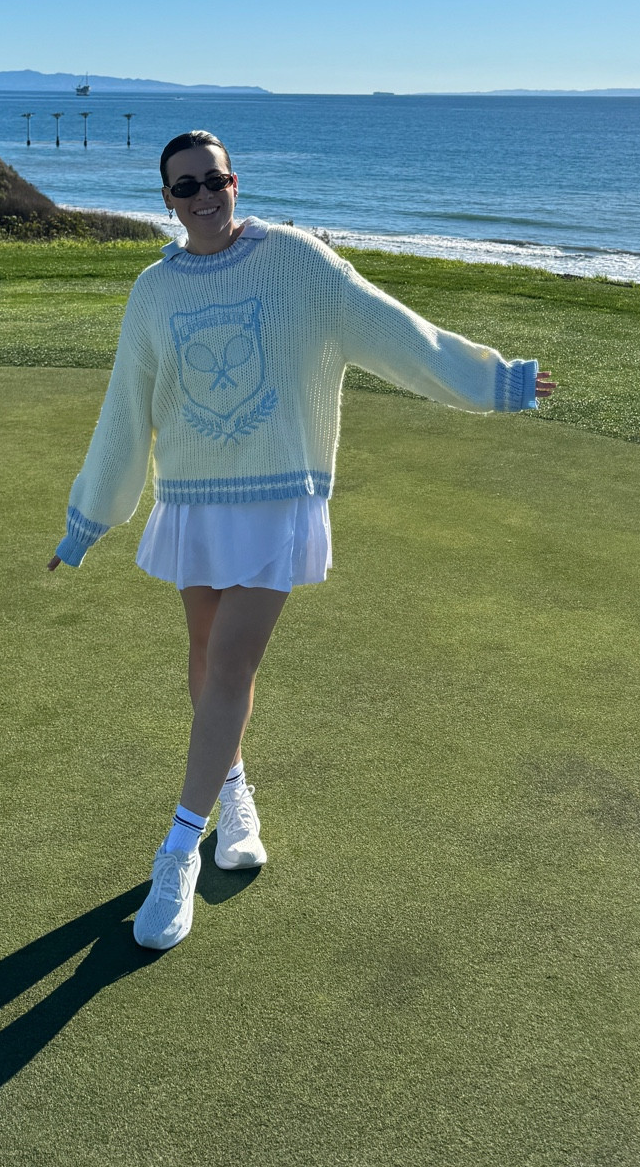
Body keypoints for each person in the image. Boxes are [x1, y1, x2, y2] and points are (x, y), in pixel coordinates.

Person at [49, 130, 555, 950]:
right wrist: (86, 523)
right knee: (207, 660)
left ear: (234, 183)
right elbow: (125, 410)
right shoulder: (152, 292)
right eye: (186, 187)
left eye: (215, 180)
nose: (204, 197)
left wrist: (497, 380)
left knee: (234, 664)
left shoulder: (298, 260)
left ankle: (176, 851)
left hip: (277, 500)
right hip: (195, 501)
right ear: (166, 202)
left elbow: (394, 333)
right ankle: (235, 797)